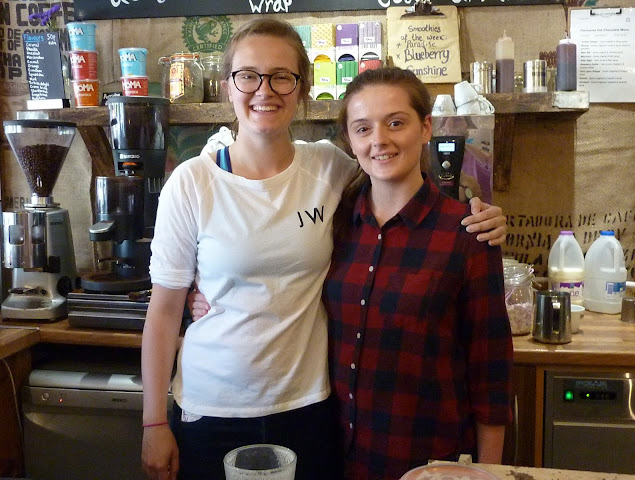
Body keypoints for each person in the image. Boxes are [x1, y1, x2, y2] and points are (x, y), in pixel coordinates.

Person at [143, 18, 506, 480]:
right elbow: (163, 311)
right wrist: (153, 421)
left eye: (281, 76)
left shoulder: (330, 168)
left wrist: (480, 212)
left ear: (302, 88)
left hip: (310, 408)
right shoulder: (192, 183)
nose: (264, 90)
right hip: (211, 407)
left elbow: (396, 181)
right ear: (228, 86)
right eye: (248, 75)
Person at [323, 67, 513, 480]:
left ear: (426, 128)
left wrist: (489, 471)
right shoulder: (334, 226)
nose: (379, 140)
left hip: (430, 462)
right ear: (350, 140)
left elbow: (491, 370)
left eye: (396, 123)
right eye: (363, 128)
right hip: (335, 457)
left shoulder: (467, 232)